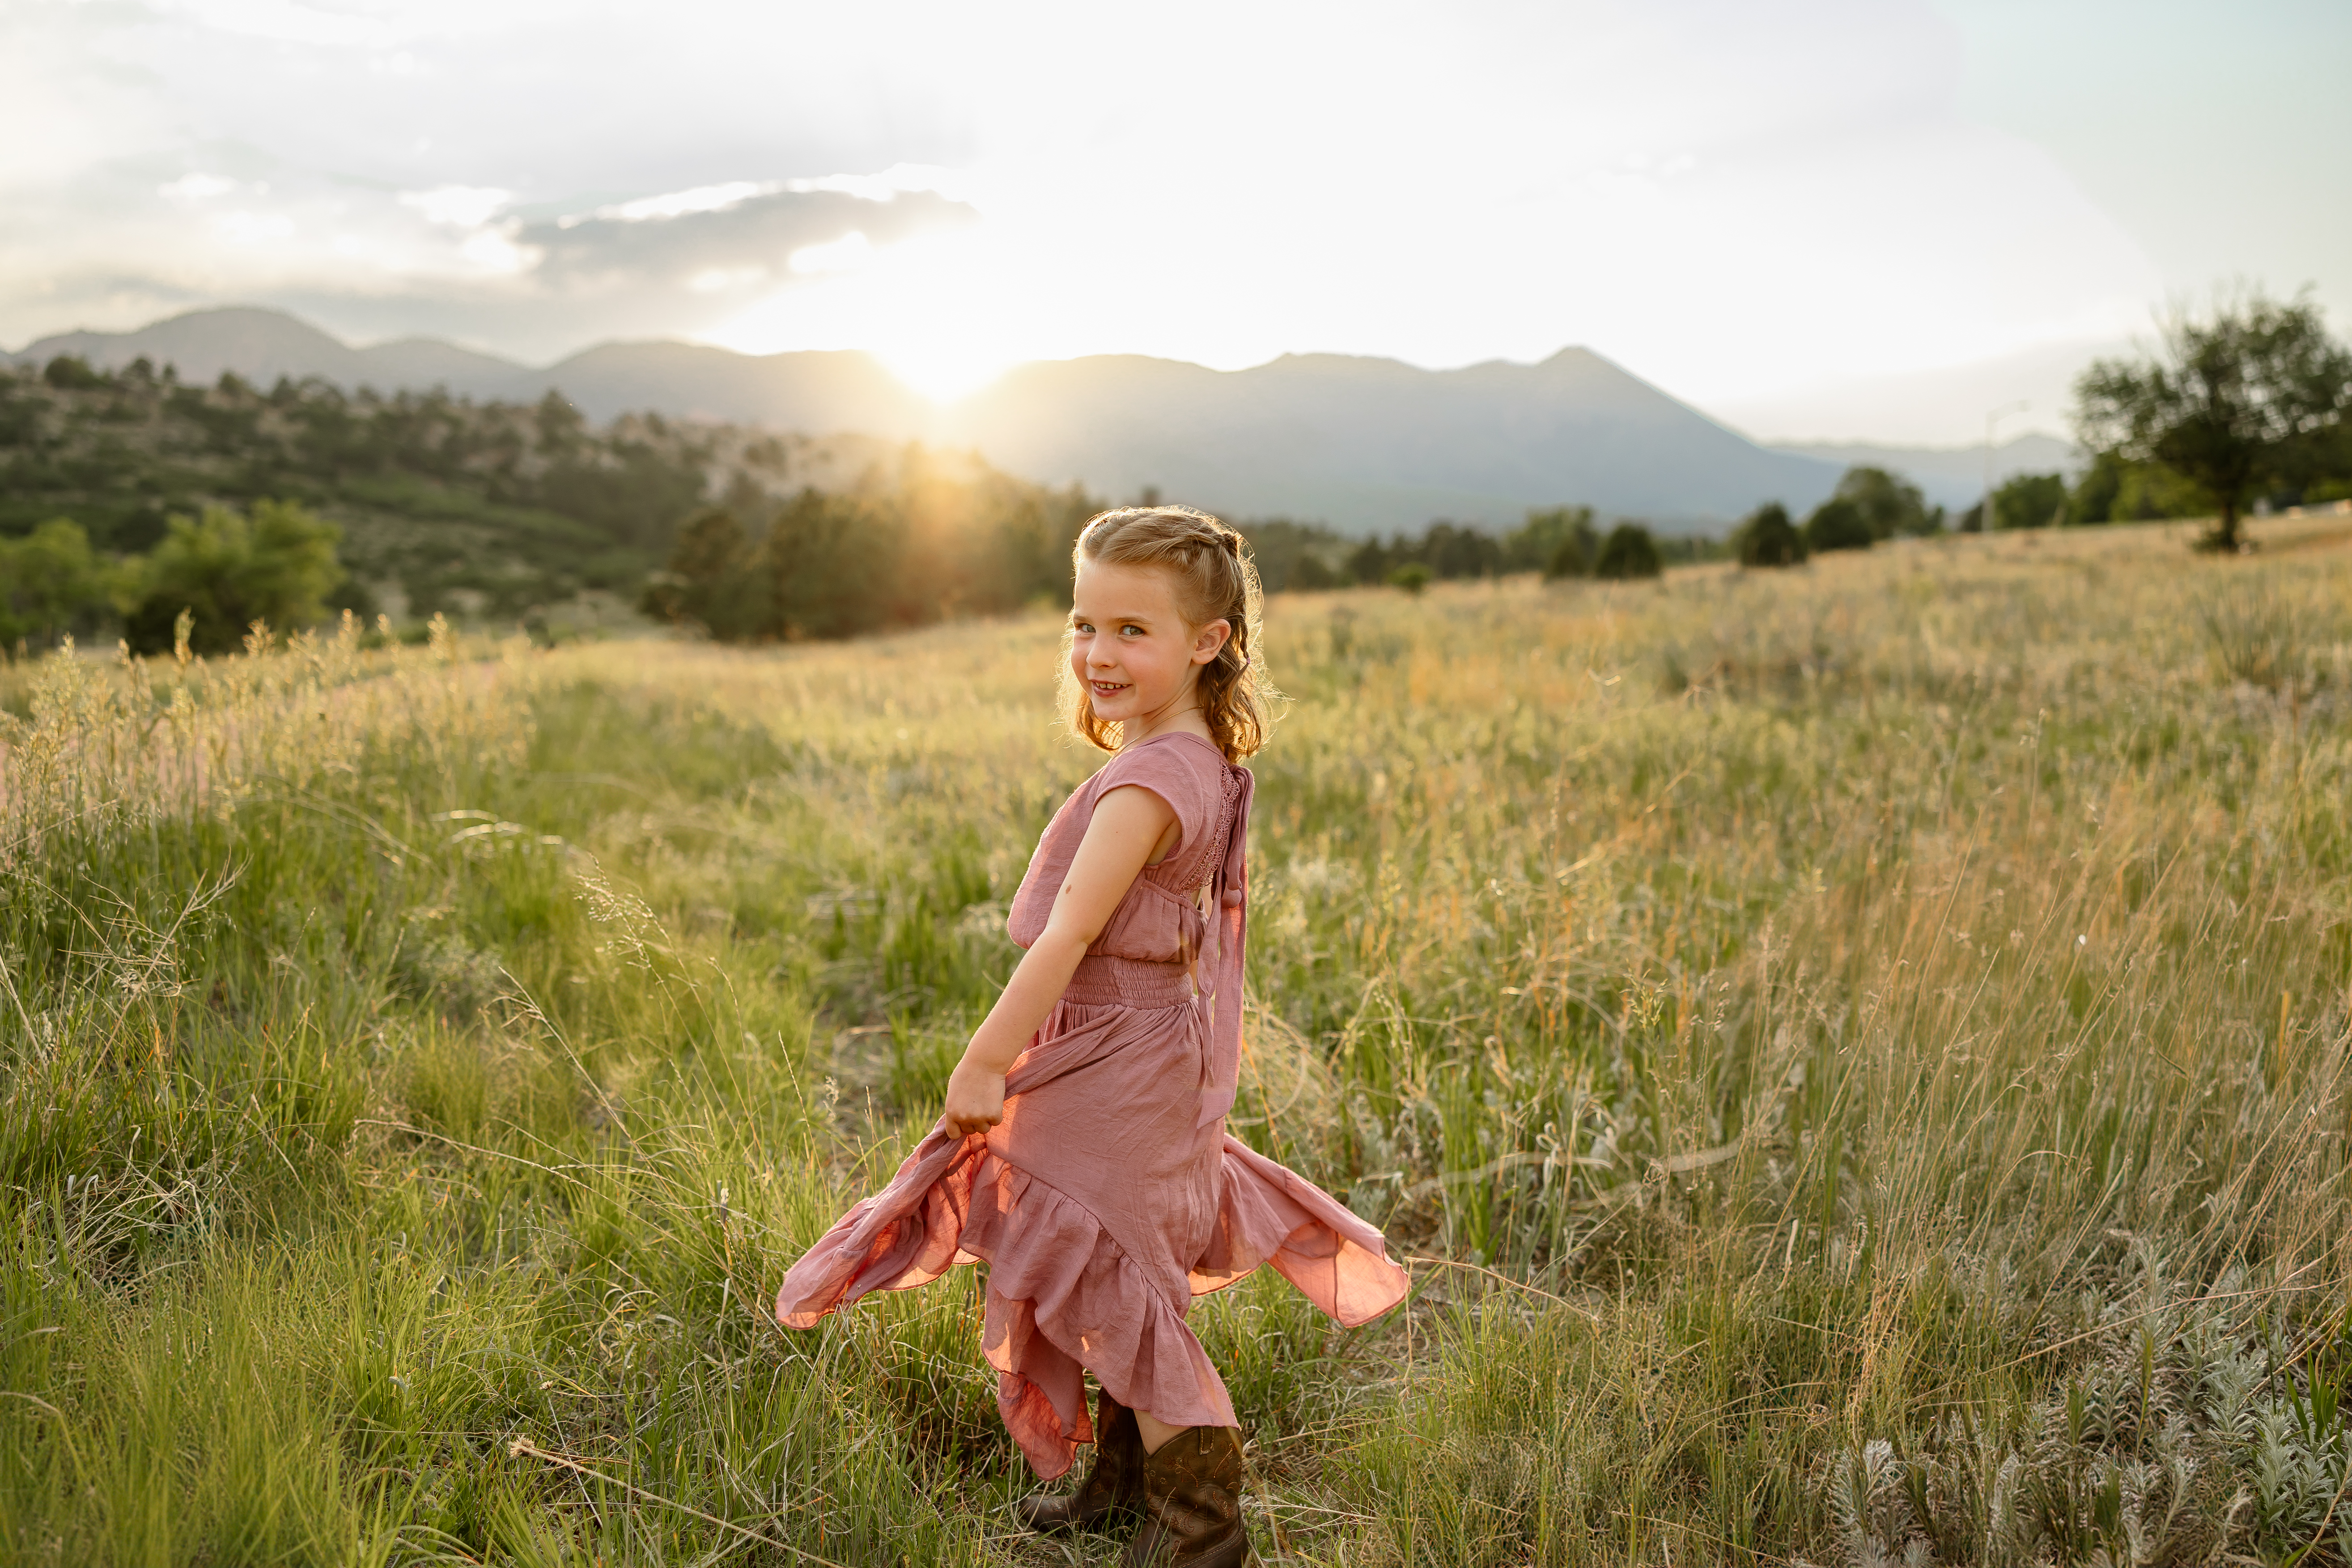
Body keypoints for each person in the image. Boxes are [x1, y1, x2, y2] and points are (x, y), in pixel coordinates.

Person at [776, 506, 1409, 1567]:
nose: (1096, 654)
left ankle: (1202, 1537)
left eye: (1131, 630)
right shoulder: (1191, 752)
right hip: (1138, 1047)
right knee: (1098, 1258)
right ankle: (1121, 1482)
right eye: (1083, 624)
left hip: (1114, 1054)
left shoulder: (1151, 779)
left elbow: (1070, 933)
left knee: (1113, 1266)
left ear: (1208, 642)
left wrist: (985, 1058)